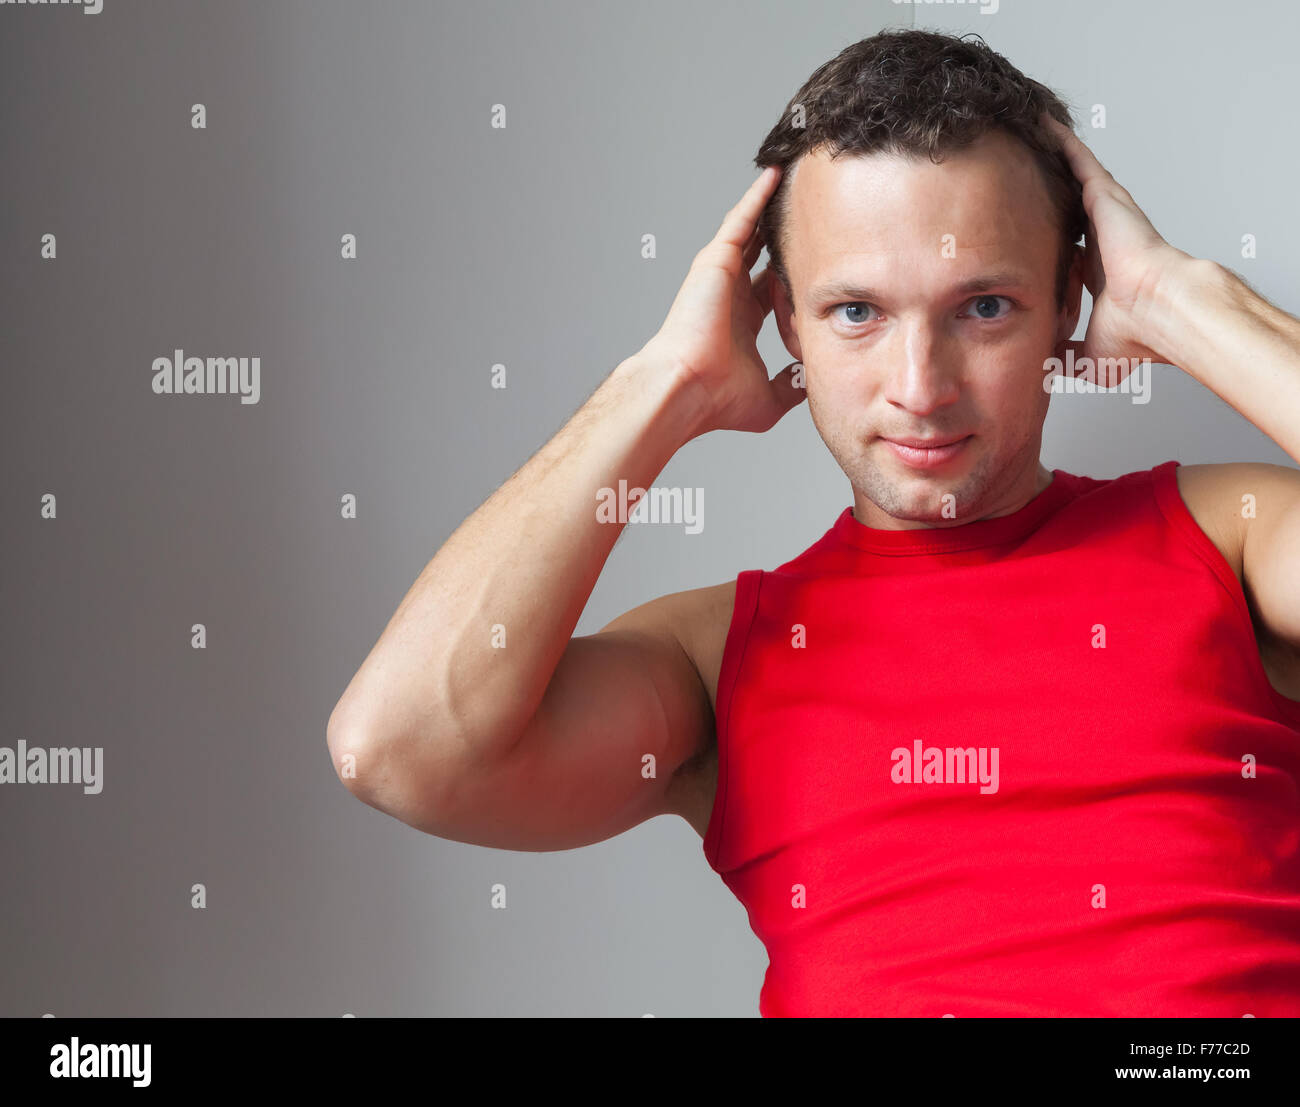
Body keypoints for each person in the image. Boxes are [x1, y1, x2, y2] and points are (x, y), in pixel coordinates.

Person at [326, 29, 1300, 1016]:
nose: (920, 389)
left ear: (1066, 302)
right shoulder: (719, 655)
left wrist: (1182, 301)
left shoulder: (1230, 536)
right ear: (782, 322)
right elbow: (398, 750)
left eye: (986, 308)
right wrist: (663, 383)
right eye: (855, 313)